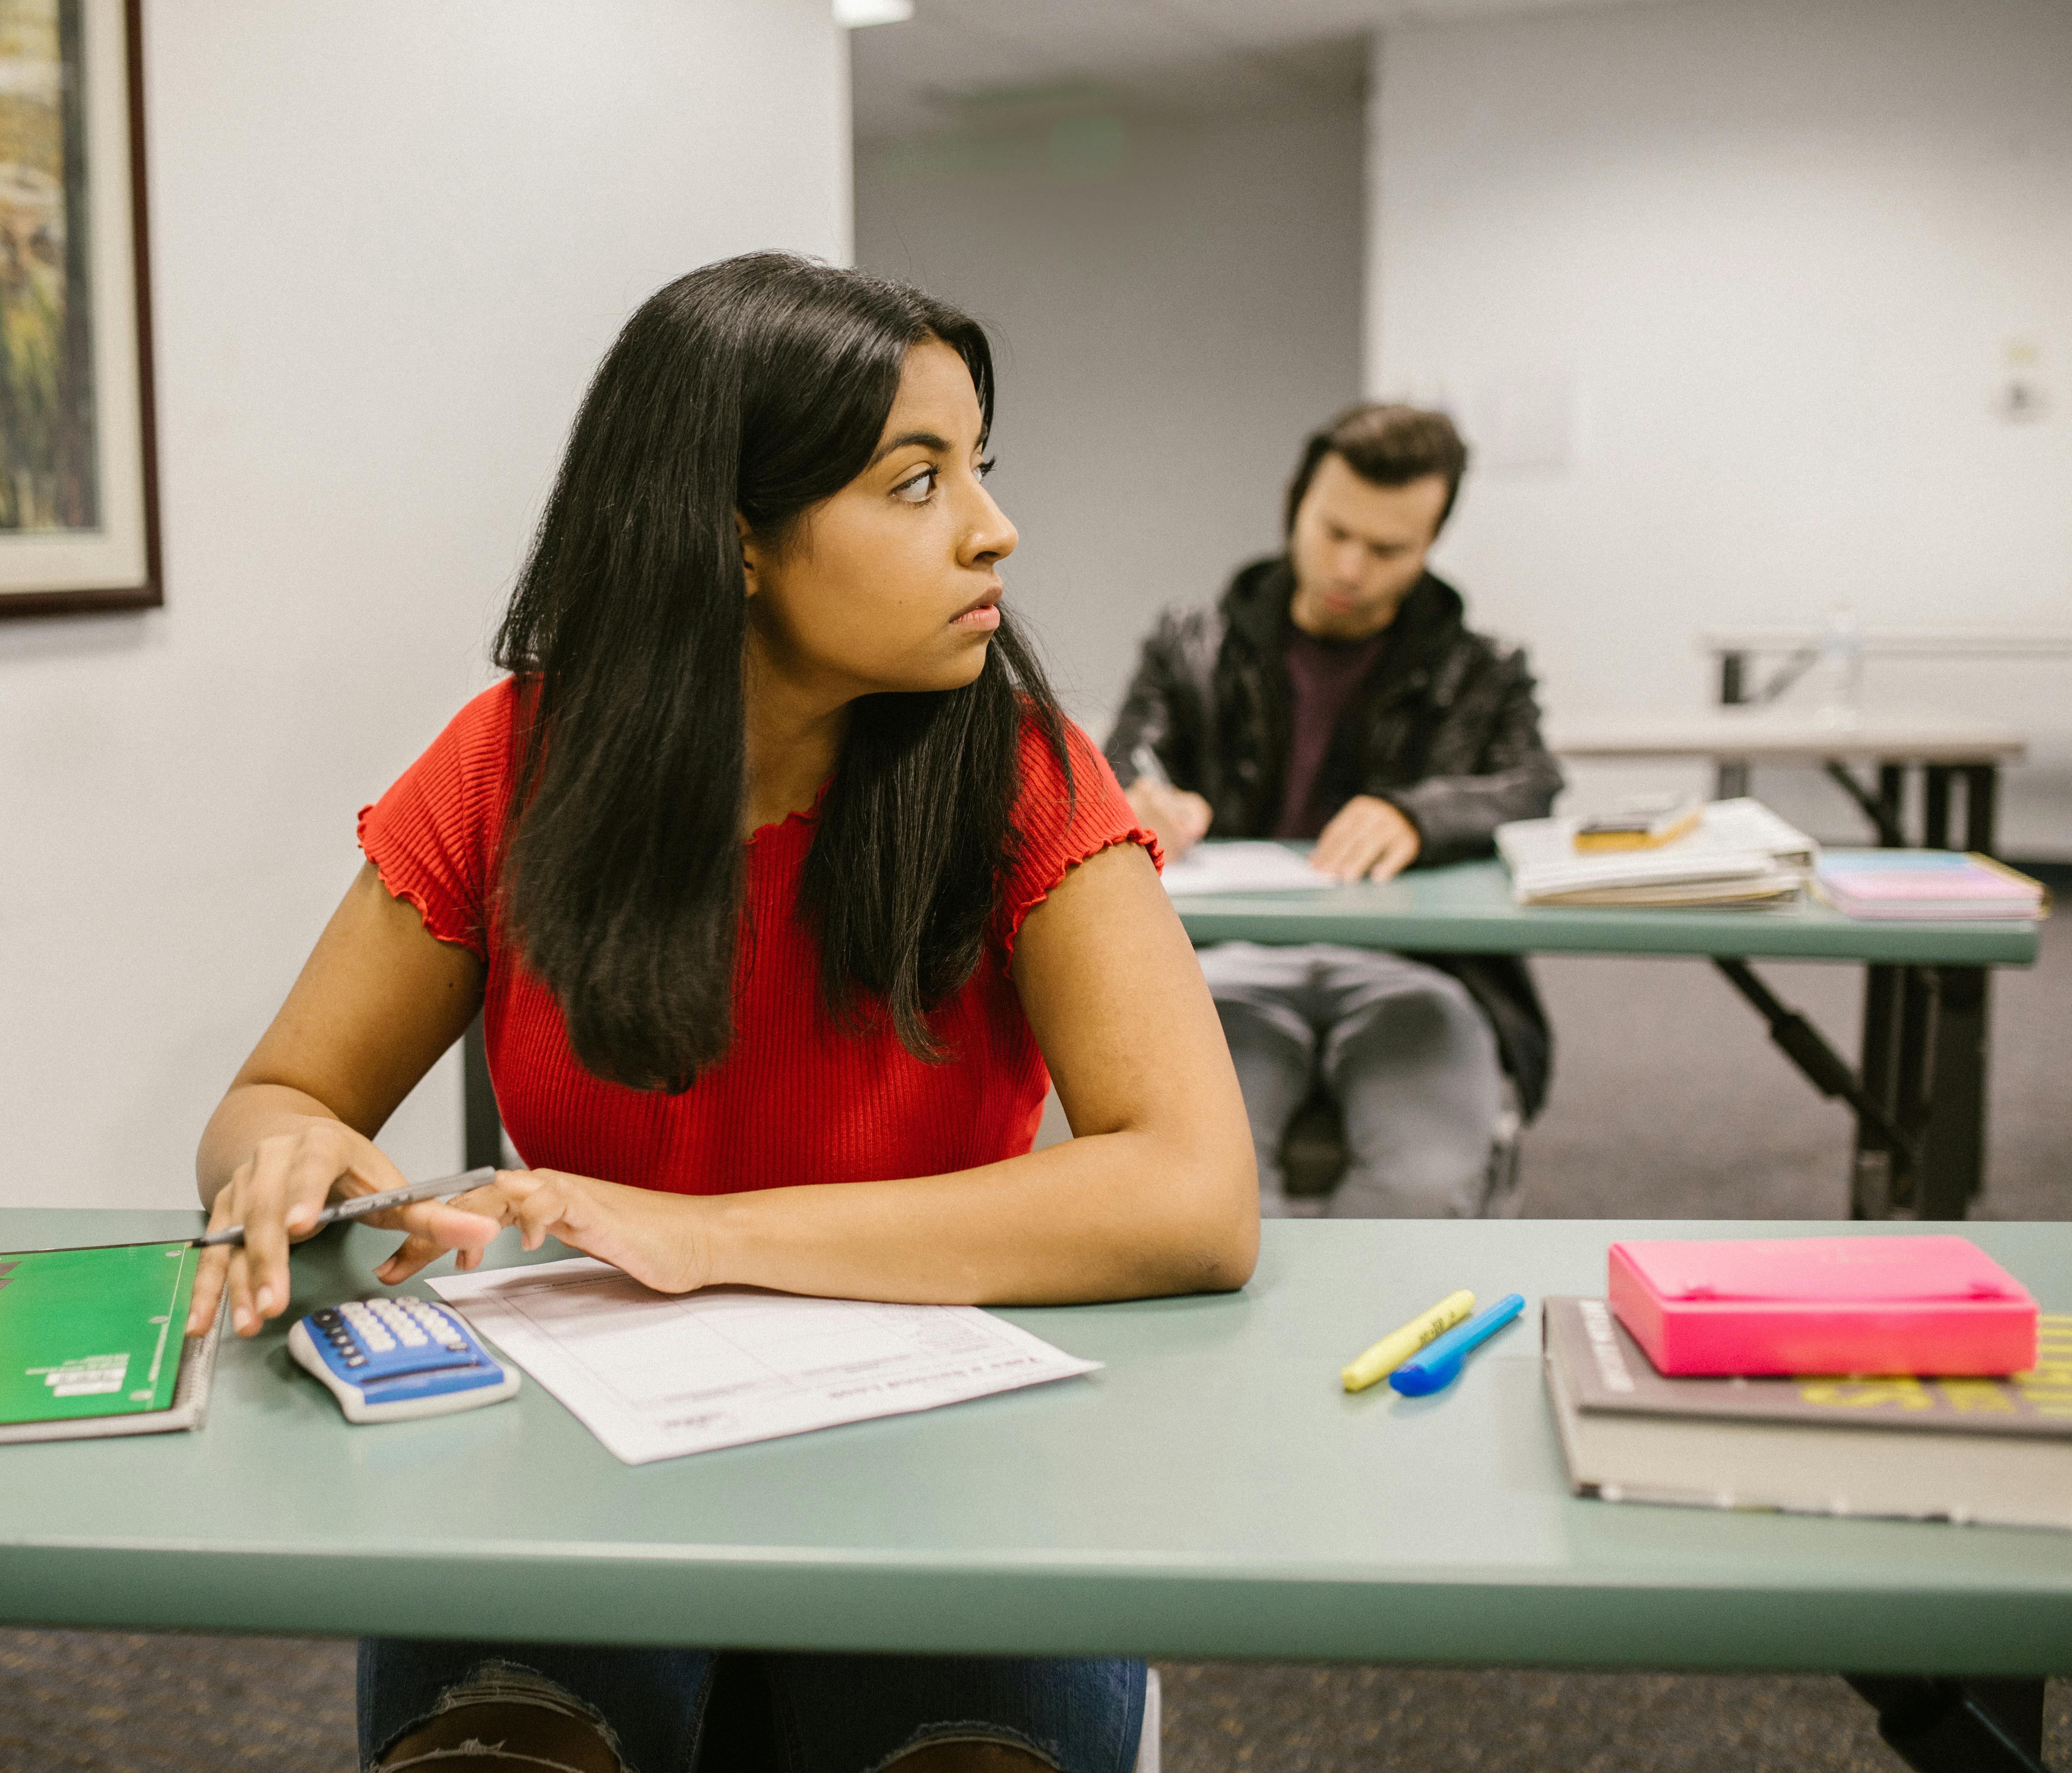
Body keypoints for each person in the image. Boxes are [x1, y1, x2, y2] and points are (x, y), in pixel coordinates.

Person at [185, 254, 1258, 1773]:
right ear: (736, 542)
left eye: (980, 469)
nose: (994, 527)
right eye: (916, 481)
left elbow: (1194, 1193)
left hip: (946, 1425)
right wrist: (280, 1156)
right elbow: (281, 1093)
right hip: (573, 1437)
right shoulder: (511, 766)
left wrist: (710, 1238)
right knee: (498, 1753)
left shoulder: (1021, 768)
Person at [1103, 405, 1561, 1219]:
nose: (1350, 566)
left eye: (1388, 549)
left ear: (1431, 544)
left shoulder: (1480, 669)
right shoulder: (1191, 644)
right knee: (1205, 1191)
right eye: (1333, 531)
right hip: (1219, 963)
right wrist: (1144, 799)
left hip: (1421, 966)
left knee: (1425, 1187)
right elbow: (1123, 759)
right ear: (1295, 506)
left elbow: (1532, 783)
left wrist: (1422, 814)